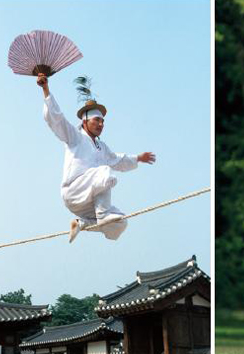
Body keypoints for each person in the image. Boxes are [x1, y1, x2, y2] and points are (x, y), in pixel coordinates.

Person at [37, 73, 156, 243]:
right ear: (85, 121)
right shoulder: (75, 137)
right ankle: (103, 214)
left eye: (103, 121)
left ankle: (82, 223)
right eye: (97, 120)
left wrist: (138, 158)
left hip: (87, 202)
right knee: (104, 172)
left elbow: (118, 160)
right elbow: (57, 119)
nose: (101, 124)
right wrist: (45, 90)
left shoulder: (102, 147)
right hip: (74, 190)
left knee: (120, 222)